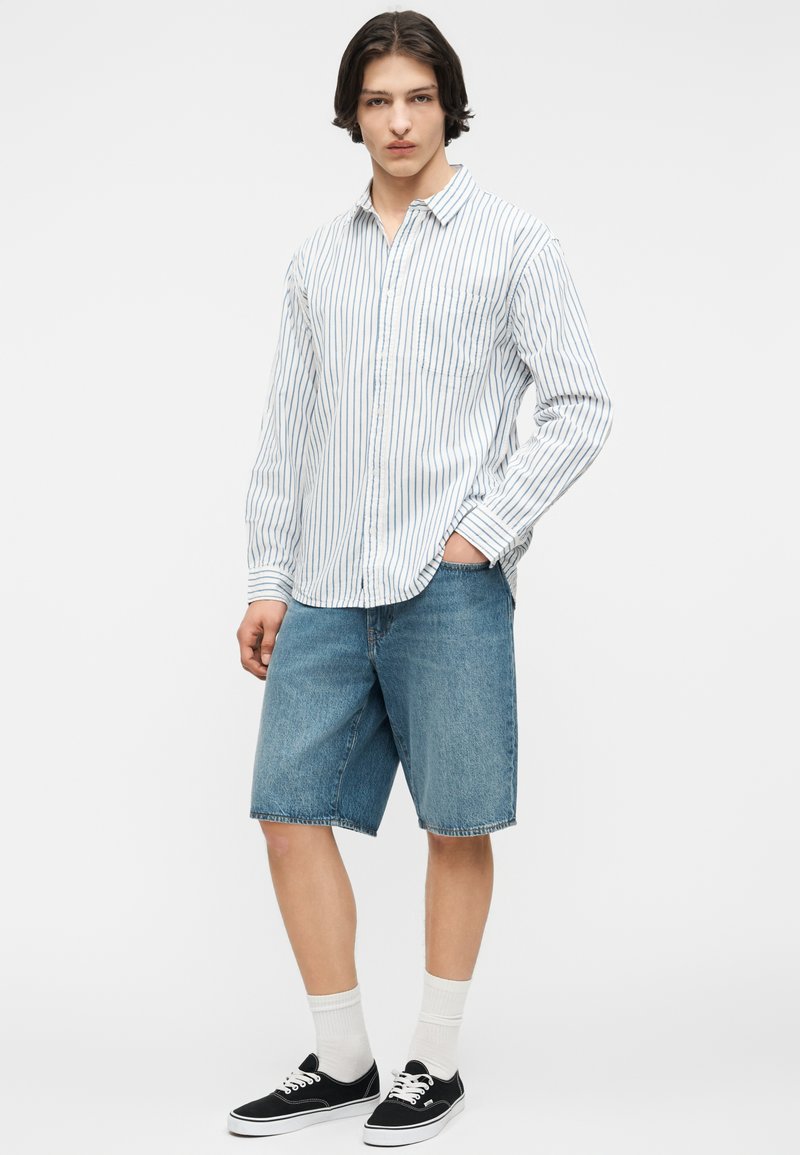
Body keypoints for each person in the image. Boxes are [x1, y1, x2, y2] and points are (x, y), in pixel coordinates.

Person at [229, 9, 613, 1146]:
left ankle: (431, 1065)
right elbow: (287, 433)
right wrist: (267, 577)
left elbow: (581, 405)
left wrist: (480, 534)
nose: (398, 121)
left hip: (447, 587)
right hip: (324, 584)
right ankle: (343, 1060)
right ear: (350, 115)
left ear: (449, 106)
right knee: (286, 811)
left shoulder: (515, 243)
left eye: (418, 98)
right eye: (377, 100)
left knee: (456, 821)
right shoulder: (316, 262)